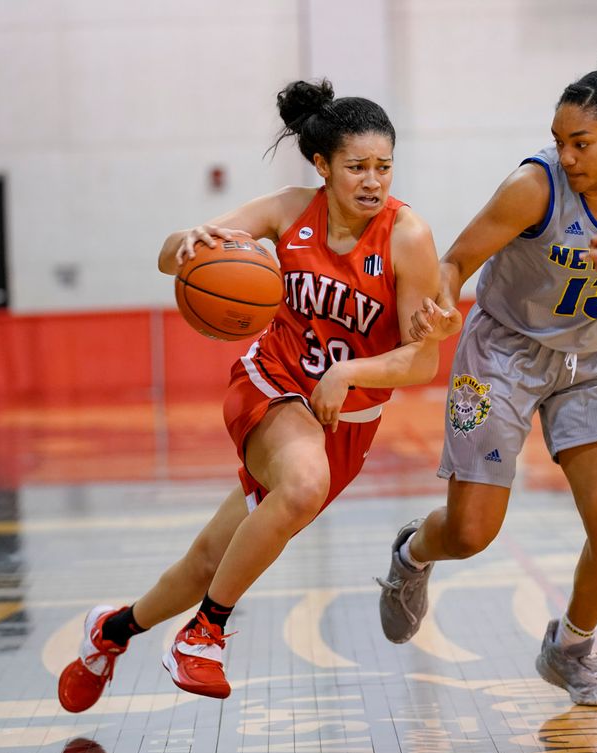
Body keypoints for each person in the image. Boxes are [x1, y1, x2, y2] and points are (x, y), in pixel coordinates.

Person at [57, 78, 453, 712]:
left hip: (345, 423)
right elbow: (172, 256)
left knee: (209, 558)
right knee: (300, 485)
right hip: (271, 383)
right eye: (357, 166)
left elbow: (422, 360)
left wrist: (352, 374)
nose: (373, 180)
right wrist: (185, 245)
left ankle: (112, 631)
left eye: (383, 166)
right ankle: (205, 633)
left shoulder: (408, 236)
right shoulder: (289, 210)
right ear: (322, 165)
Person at [376, 43, 597, 707]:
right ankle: (411, 555)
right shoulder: (534, 185)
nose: (567, 155)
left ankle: (570, 649)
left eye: (581, 143)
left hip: (590, 362)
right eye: (559, 140)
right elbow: (457, 260)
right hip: (498, 354)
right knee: (470, 533)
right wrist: (438, 304)